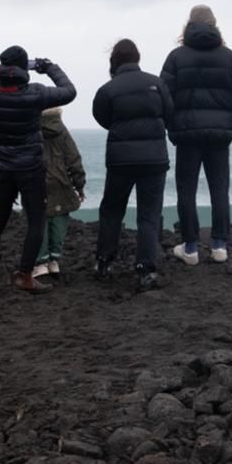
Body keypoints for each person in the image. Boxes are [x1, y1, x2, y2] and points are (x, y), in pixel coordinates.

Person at [0, 47, 76, 292]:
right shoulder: (35, 94)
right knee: (36, 221)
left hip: (4, 167)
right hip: (31, 168)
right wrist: (49, 67)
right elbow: (69, 91)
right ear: (21, 68)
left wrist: (6, 72)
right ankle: (25, 275)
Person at [160, 4, 232, 265]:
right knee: (219, 189)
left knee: (186, 190)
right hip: (219, 136)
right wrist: (229, 121)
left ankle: (190, 247)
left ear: (188, 25)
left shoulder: (176, 57)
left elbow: (163, 97)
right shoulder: (230, 57)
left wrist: (174, 123)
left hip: (187, 134)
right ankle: (220, 246)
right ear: (215, 25)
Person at [92, 39, 174, 292]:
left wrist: (122, 130)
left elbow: (101, 117)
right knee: (149, 215)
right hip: (154, 158)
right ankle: (146, 269)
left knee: (112, 210)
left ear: (113, 61)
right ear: (137, 58)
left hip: (121, 159)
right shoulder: (157, 84)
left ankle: (105, 261)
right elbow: (170, 114)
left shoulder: (108, 89)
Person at [37, 107, 86, 277]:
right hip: (60, 181)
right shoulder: (62, 131)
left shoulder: (30, 128)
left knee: (39, 222)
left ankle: (41, 263)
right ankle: (54, 261)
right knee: (58, 221)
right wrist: (79, 186)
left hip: (37, 181)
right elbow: (73, 158)